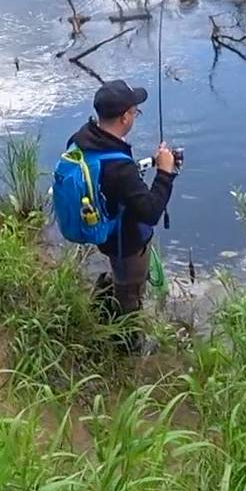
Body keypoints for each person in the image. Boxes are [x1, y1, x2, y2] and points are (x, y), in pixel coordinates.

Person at [66, 79, 178, 346]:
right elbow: (150, 212)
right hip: (126, 244)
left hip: (105, 234)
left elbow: (114, 184)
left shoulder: (82, 139)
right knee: (131, 293)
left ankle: (108, 297)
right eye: (135, 111)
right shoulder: (119, 168)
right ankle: (126, 345)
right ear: (125, 117)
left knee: (120, 278)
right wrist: (165, 173)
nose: (135, 116)